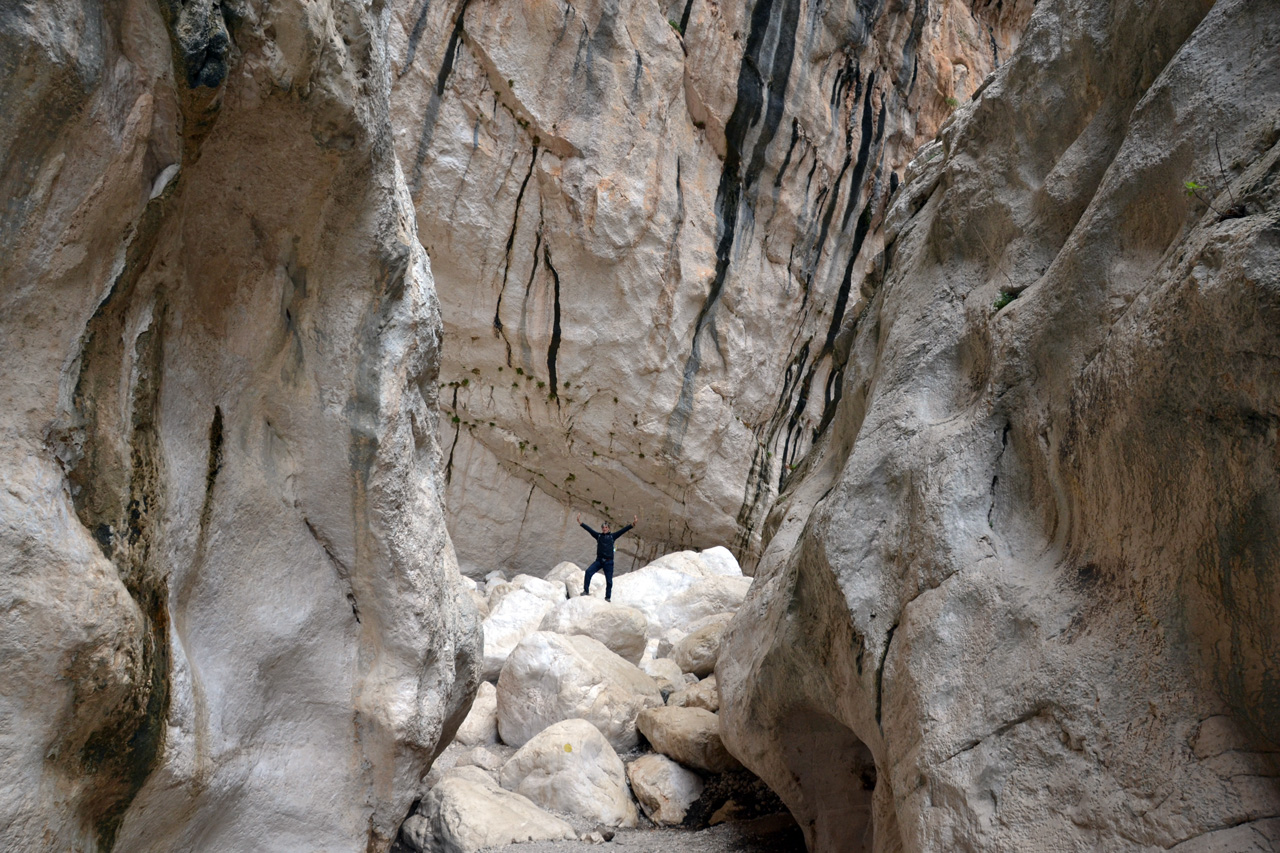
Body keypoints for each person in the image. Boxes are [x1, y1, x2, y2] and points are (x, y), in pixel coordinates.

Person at [577, 513, 637, 602]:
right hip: (599, 561)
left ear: (608, 528)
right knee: (588, 572)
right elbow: (589, 530)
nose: (604, 529)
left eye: (606, 528)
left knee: (609, 581)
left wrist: (632, 524)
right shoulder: (599, 536)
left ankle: (607, 597)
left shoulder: (612, 536)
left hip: (608, 562)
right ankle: (586, 591)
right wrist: (580, 523)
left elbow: (623, 530)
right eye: (603, 528)